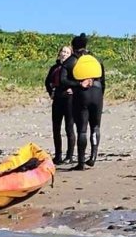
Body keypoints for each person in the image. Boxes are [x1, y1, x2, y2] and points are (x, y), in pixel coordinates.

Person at [61, 34, 105, 169]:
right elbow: (103, 81)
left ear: (73, 47)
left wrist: (78, 84)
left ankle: (80, 163)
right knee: (95, 127)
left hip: (82, 96)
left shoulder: (71, 61)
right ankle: (93, 157)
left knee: (82, 130)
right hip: (97, 94)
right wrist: (100, 95)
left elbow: (63, 80)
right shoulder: (96, 60)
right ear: (85, 46)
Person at [44, 44, 75, 165]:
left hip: (69, 99)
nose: (64, 54)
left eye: (67, 52)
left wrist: (73, 89)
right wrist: (50, 92)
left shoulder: (73, 67)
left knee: (69, 128)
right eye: (63, 51)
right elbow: (47, 81)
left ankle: (70, 155)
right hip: (57, 98)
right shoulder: (54, 67)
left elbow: (78, 80)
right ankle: (58, 155)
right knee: (56, 128)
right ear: (59, 53)